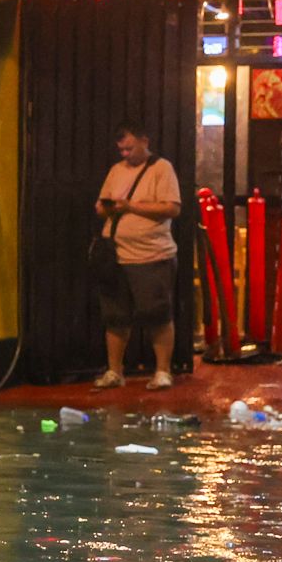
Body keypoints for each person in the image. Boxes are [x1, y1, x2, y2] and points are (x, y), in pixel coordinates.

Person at [93, 119, 181, 390]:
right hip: (116, 255)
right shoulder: (116, 171)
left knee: (157, 314)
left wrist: (131, 206)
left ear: (145, 140)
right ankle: (114, 371)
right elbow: (100, 205)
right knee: (115, 316)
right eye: (121, 150)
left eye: (129, 148)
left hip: (151, 256)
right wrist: (108, 208)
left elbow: (172, 208)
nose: (125, 154)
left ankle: (163, 371)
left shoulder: (161, 169)